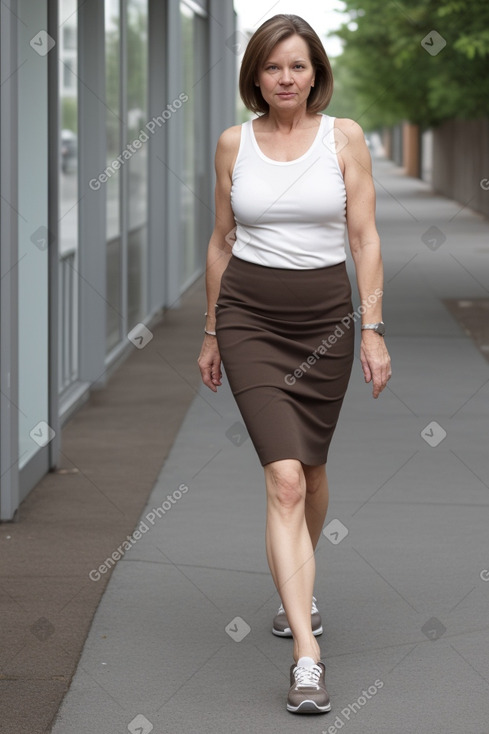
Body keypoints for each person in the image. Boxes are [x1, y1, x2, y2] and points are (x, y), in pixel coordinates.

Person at [197, 13, 391, 715]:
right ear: (255, 74)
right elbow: (220, 242)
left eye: (298, 66)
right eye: (274, 66)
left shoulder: (344, 139)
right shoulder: (232, 144)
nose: (286, 78)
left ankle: (292, 589)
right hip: (250, 314)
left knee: (309, 471)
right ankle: (305, 655)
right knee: (281, 479)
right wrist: (212, 330)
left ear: (316, 74)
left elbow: (364, 239)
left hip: (324, 322)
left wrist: (371, 328)